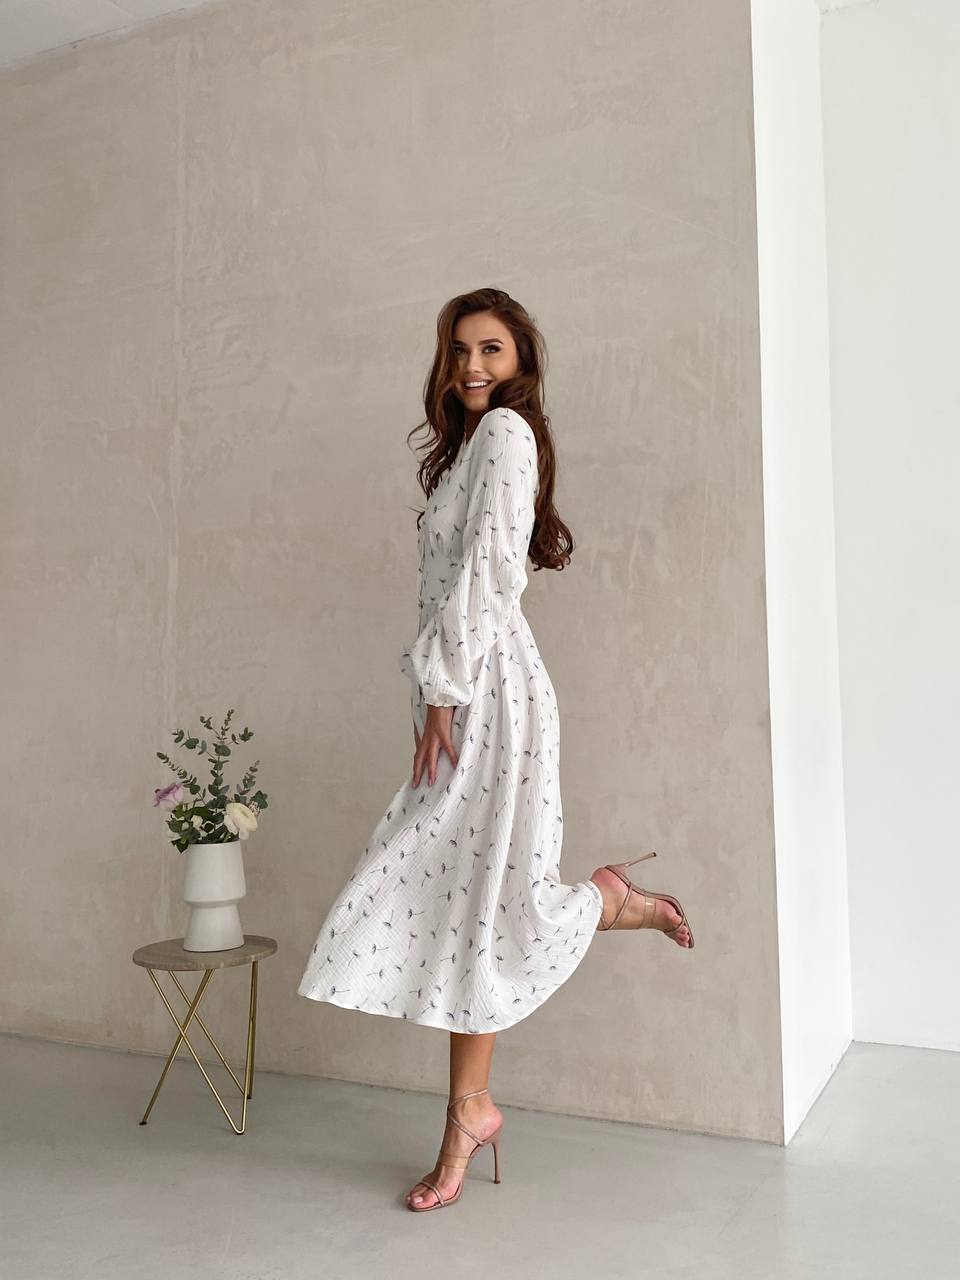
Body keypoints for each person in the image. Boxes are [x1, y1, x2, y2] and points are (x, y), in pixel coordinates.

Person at [297, 287, 693, 1212]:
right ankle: (474, 1099)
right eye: (459, 350)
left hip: (486, 691)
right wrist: (431, 693)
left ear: (520, 362)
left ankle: (600, 906)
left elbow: (489, 572)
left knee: (471, 899)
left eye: (492, 350)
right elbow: (448, 582)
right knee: (462, 899)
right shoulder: (467, 451)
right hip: (458, 687)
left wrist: (443, 688)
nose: (472, 366)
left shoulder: (508, 439)